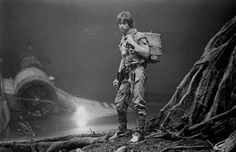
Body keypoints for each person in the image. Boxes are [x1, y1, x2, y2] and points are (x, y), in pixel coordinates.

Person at [109, 11, 151, 143]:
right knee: (119, 103)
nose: (121, 26)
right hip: (126, 73)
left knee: (138, 102)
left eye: (124, 23)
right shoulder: (123, 39)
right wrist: (118, 77)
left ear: (130, 23)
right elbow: (123, 60)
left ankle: (139, 133)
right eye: (120, 23)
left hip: (138, 70)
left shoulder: (139, 36)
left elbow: (146, 53)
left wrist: (133, 42)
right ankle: (122, 132)